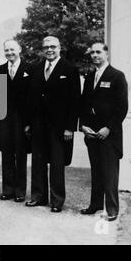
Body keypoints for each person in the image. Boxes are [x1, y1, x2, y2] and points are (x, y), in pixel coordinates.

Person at [25, 36, 80, 213]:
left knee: (57, 164)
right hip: (38, 125)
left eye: (53, 47)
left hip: (59, 127)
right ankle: (38, 197)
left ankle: (57, 201)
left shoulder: (70, 69)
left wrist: (70, 127)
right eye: (46, 47)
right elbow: (31, 99)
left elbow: (75, 101)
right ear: (42, 49)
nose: (49, 50)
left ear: (59, 48)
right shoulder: (36, 68)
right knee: (38, 162)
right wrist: (28, 123)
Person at [79, 43, 128, 222]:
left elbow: (122, 107)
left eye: (98, 52)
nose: (95, 55)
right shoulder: (90, 76)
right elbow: (84, 104)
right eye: (92, 52)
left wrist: (108, 127)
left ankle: (112, 209)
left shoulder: (117, 76)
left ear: (106, 54)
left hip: (109, 134)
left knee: (109, 173)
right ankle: (95, 205)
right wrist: (83, 126)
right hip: (92, 133)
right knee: (96, 171)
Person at [0, 39, 31, 202]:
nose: (9, 53)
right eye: (7, 50)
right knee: (6, 153)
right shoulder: (0, 70)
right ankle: (8, 189)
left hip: (22, 119)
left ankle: (20, 191)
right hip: (5, 117)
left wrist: (29, 121)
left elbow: (32, 97)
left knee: (21, 154)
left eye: (12, 50)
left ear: (20, 50)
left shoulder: (29, 69)